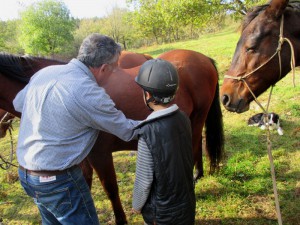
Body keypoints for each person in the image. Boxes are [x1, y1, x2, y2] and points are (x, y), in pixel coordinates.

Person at [13, 33, 140, 225]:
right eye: (114, 68)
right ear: (104, 68)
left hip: (27, 176)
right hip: (58, 182)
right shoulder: (89, 93)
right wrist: (164, 118)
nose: (115, 73)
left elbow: (18, 103)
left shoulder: (46, 73)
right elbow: (127, 131)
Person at [132, 59, 196, 225]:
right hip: (187, 204)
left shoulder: (147, 132)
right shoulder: (183, 118)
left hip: (161, 214)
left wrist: (137, 205)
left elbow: (144, 180)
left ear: (148, 95)